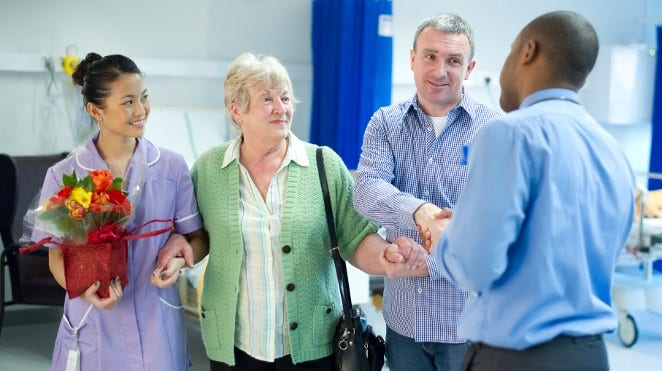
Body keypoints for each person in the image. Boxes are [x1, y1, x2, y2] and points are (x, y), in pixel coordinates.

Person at [157, 52, 427, 370]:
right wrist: (181, 247)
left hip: (314, 346)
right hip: (235, 347)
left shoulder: (323, 164)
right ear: (236, 111)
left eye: (285, 98)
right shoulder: (209, 169)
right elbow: (197, 234)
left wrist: (385, 257)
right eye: (267, 99)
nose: (281, 108)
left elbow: (357, 238)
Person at [428, 11, 636, 370]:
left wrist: (446, 236)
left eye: (509, 52)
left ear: (528, 51)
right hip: (590, 356)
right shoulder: (611, 148)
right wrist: (471, 223)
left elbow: (475, 268)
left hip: (516, 358)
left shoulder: (508, 134)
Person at [32, 52, 207, 370]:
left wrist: (179, 260)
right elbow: (56, 256)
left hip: (156, 317)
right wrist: (85, 292)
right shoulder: (64, 175)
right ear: (95, 110)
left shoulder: (171, 166)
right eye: (128, 102)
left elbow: (198, 238)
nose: (141, 110)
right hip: (92, 320)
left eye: (144, 97)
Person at [352, 13, 501, 371]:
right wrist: (420, 211)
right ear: (412, 59)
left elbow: (496, 227)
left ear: (469, 68)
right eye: (430, 56)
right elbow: (367, 190)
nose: (439, 70)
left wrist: (427, 264)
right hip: (404, 325)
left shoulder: (495, 131)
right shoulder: (385, 123)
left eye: (453, 60)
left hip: (467, 326)